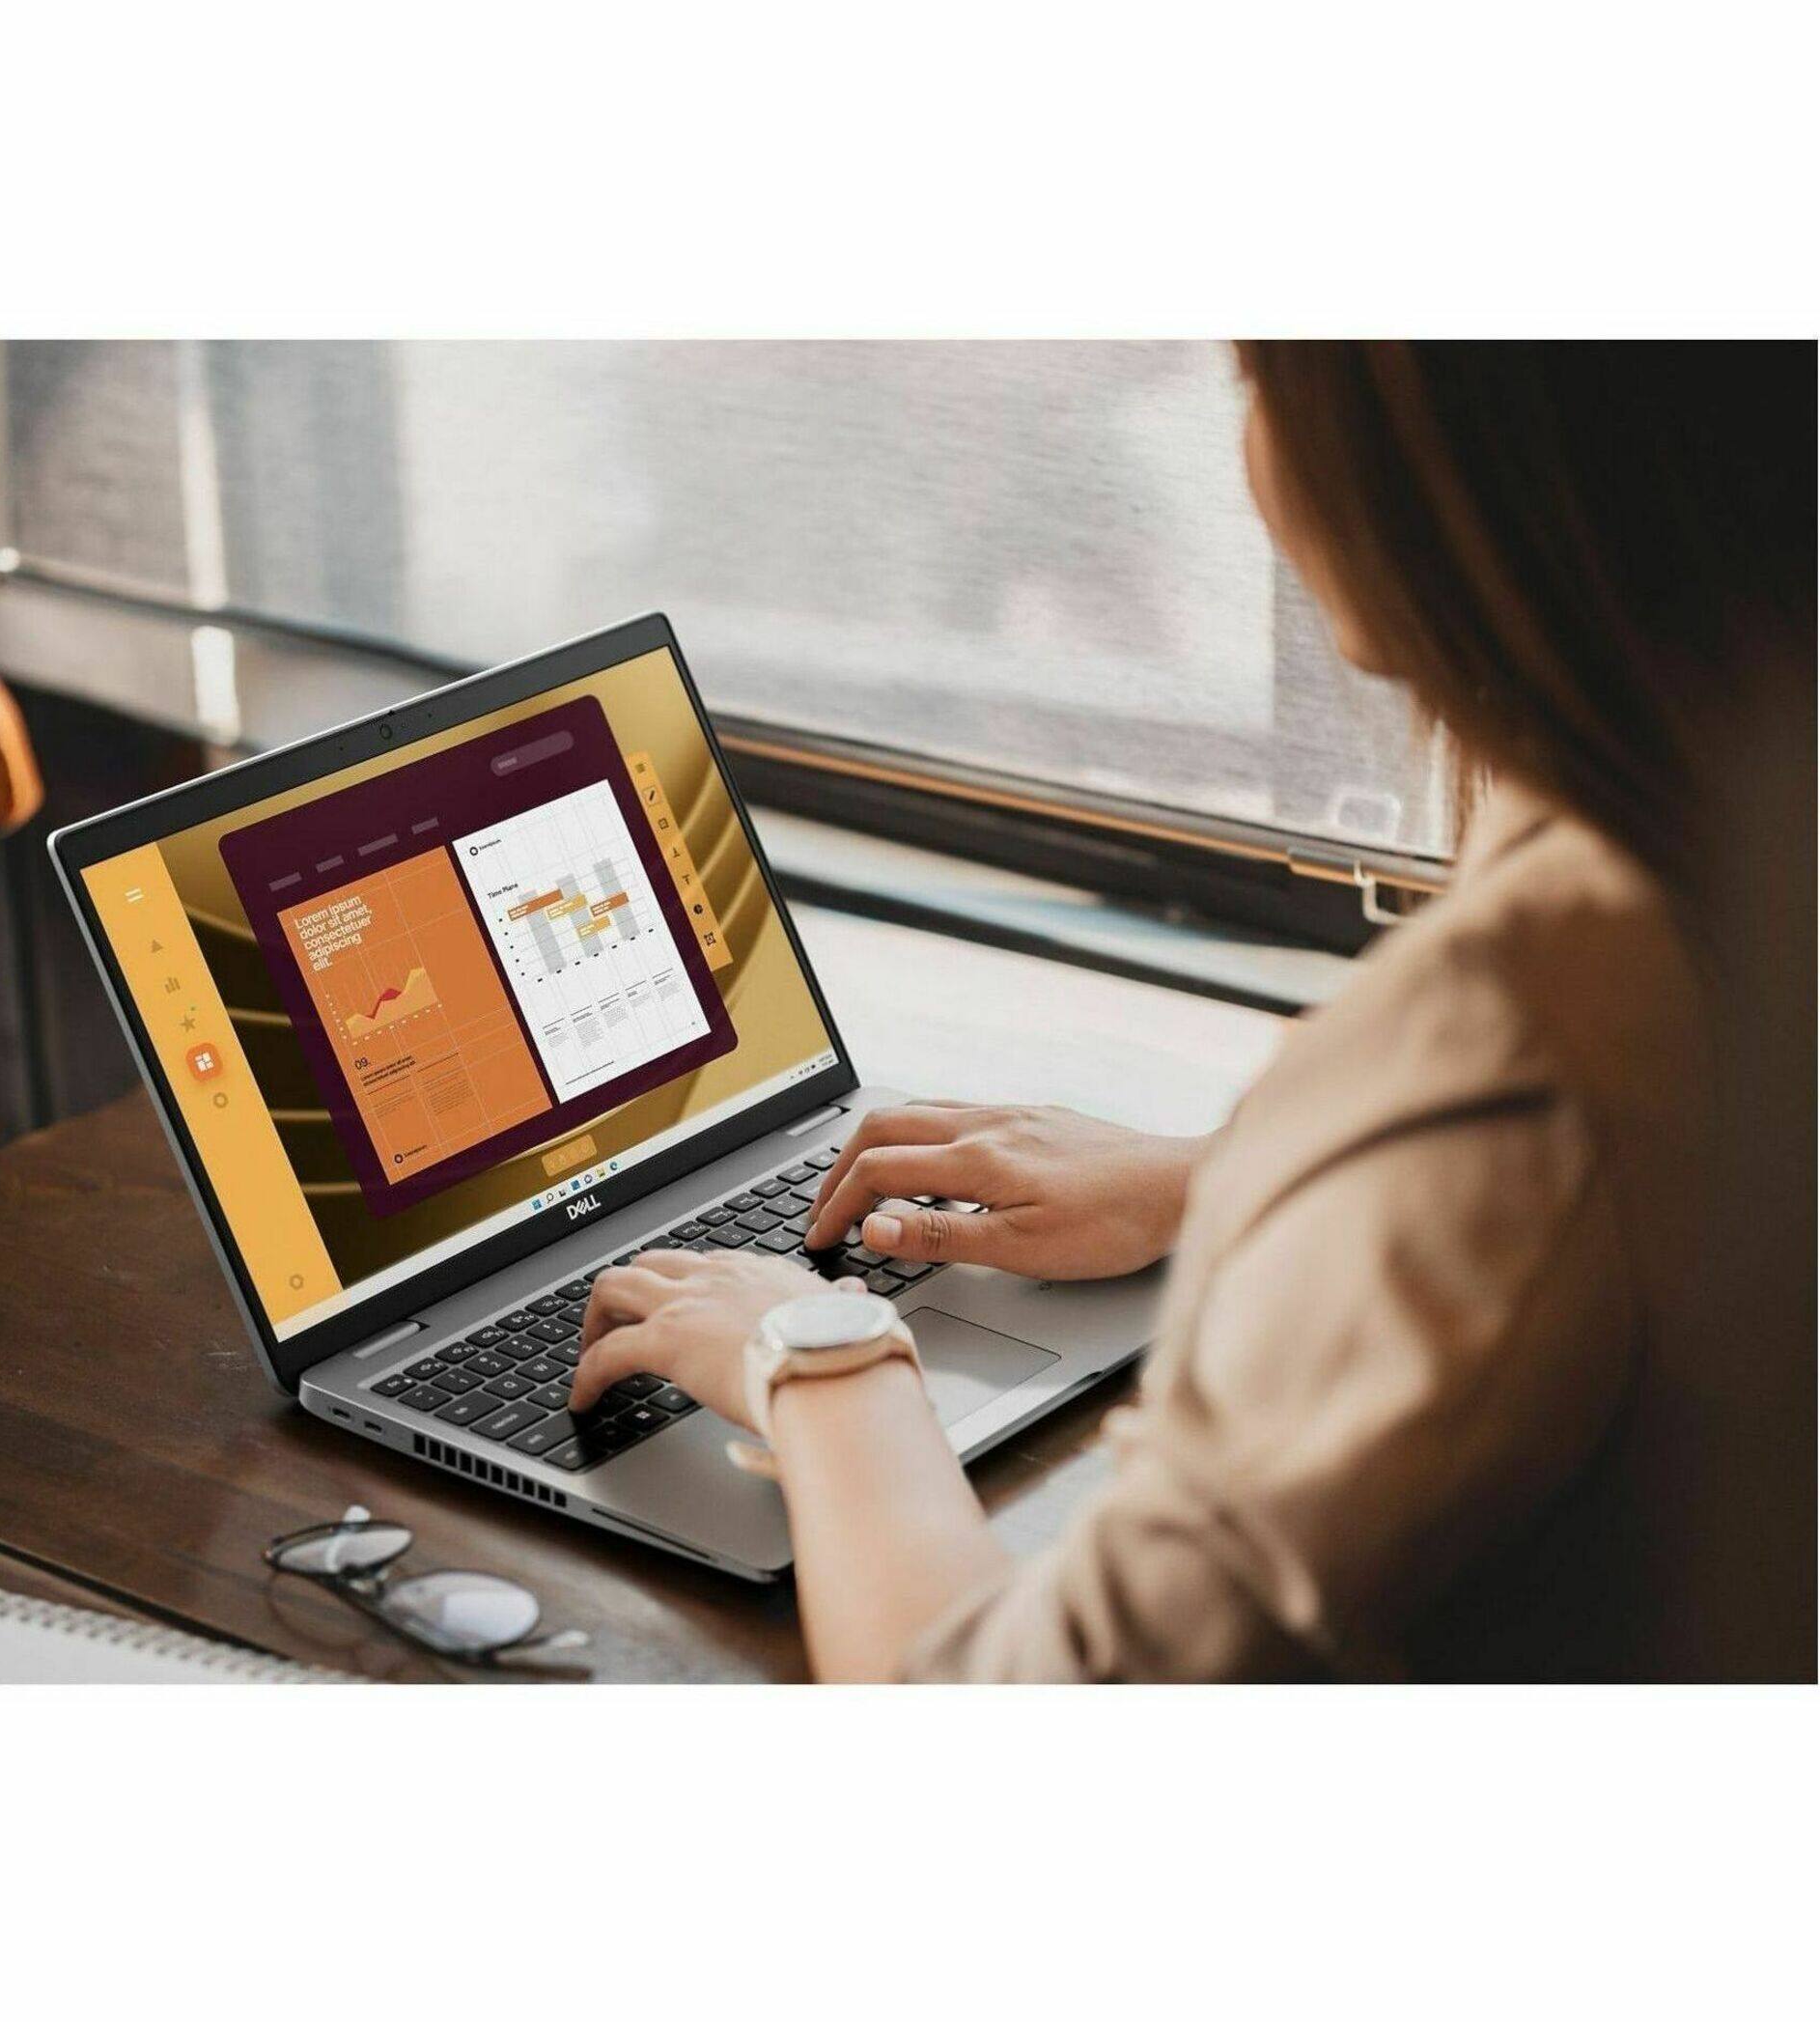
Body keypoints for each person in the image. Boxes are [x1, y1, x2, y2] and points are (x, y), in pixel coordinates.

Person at [571, 342, 1816, 1682]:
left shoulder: (1502, 1049)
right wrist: (1216, 1179)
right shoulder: (1726, 845)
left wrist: (817, 1348)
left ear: (1429, 460)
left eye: (1259, 391)